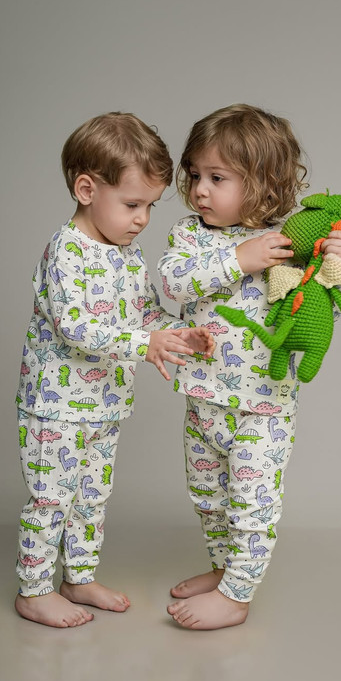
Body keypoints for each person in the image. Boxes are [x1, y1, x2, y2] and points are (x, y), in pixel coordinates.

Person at [158, 104, 341, 630]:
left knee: (251, 501)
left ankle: (237, 594)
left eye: (217, 178)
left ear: (264, 183)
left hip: (263, 406)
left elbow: (326, 297)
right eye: (195, 175)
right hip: (203, 399)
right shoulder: (190, 235)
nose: (200, 190)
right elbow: (174, 282)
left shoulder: (290, 240)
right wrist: (238, 259)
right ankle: (222, 569)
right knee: (208, 495)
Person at [14, 112, 214, 629]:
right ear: (87, 189)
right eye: (132, 204)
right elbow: (74, 326)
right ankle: (34, 590)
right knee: (51, 499)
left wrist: (178, 333)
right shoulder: (66, 251)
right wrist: (146, 343)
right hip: (56, 405)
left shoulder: (128, 253)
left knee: (92, 497)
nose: (143, 218)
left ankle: (78, 577)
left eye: (150, 206)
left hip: (106, 403)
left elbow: (145, 314)